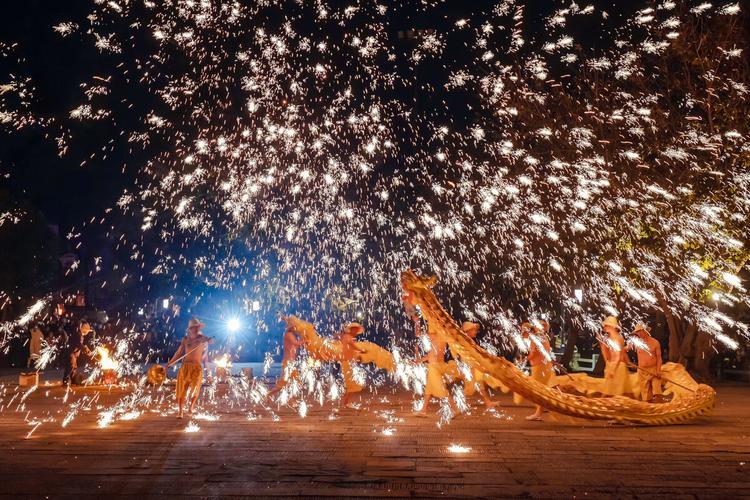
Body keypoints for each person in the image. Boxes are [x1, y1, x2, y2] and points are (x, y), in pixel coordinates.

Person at [167, 318, 211, 418]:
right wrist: (171, 362)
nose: (196, 329)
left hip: (197, 368)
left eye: (197, 327)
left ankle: (191, 407)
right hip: (185, 367)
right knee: (182, 390)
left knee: (195, 389)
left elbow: (206, 354)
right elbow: (179, 353)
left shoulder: (202, 338)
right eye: (194, 327)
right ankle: (180, 411)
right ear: (190, 329)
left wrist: (208, 373)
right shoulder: (185, 339)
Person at [460, 321, 499, 408]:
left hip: (473, 365)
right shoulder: (465, 341)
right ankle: (458, 403)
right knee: (470, 387)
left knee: (478, 384)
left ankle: (487, 402)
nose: (476, 332)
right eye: (474, 330)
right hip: (469, 366)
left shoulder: (469, 341)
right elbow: (465, 356)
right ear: (468, 331)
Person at [415, 327, 451, 417]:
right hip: (439, 365)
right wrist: (420, 360)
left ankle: (455, 409)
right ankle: (423, 410)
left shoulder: (434, 336)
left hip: (434, 367)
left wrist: (416, 322)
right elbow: (432, 354)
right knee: (429, 390)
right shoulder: (443, 337)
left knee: (441, 390)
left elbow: (418, 334)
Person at [523, 322, 554, 421]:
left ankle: (538, 413)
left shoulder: (535, 337)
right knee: (541, 389)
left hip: (539, 367)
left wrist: (525, 359)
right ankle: (541, 409)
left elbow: (533, 352)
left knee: (537, 390)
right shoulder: (542, 336)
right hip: (545, 366)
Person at [268, 323, 307, 396]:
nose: (296, 328)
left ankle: (291, 398)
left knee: (295, 381)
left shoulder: (291, 335)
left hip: (291, 362)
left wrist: (303, 340)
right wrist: (305, 340)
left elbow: (296, 346)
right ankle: (268, 394)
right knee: (283, 383)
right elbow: (296, 343)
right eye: (294, 327)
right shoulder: (288, 334)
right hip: (288, 362)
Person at [599, 316, 632, 397]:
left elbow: (618, 356)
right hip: (613, 366)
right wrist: (602, 347)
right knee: (610, 393)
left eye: (606, 325)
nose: (604, 327)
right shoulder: (610, 338)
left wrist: (613, 370)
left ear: (611, 326)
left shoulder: (616, 338)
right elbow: (617, 352)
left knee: (615, 394)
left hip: (617, 368)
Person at [632, 322, 663, 401]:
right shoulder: (637, 343)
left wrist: (658, 370)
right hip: (642, 371)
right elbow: (625, 349)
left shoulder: (655, 342)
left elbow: (659, 358)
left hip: (653, 370)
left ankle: (659, 407)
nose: (639, 333)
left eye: (640, 331)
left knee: (657, 393)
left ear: (645, 330)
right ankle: (649, 407)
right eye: (637, 332)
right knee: (646, 397)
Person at [339, 322, 367, 409]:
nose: (356, 332)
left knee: (351, 384)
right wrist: (362, 350)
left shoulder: (347, 337)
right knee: (351, 384)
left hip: (349, 363)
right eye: (354, 330)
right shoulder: (348, 338)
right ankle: (346, 403)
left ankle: (346, 402)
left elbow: (351, 349)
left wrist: (359, 354)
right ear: (351, 330)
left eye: (356, 330)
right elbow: (353, 346)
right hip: (347, 363)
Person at [62, 321, 94, 386]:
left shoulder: (79, 334)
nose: (87, 332)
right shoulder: (78, 335)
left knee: (74, 367)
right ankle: (66, 381)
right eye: (87, 330)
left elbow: (81, 344)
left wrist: (86, 349)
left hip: (74, 353)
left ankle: (74, 380)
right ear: (84, 329)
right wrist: (86, 350)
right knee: (70, 366)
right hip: (71, 353)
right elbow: (79, 344)